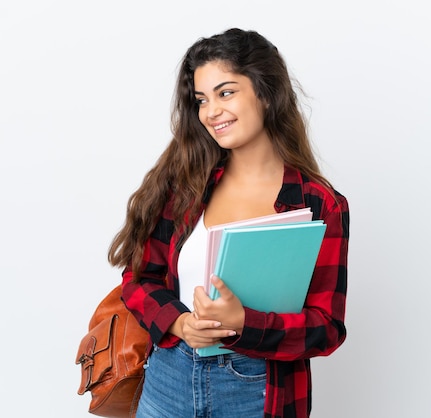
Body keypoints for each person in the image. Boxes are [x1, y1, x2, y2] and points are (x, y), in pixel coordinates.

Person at [108, 28, 349, 418]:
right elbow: (138, 279)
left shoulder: (319, 204)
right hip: (168, 380)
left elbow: (327, 327)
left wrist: (244, 323)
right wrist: (181, 323)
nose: (210, 112)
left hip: (256, 392)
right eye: (202, 100)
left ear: (267, 93)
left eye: (226, 92)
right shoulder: (185, 184)